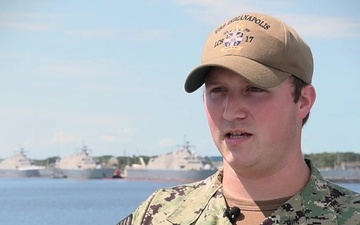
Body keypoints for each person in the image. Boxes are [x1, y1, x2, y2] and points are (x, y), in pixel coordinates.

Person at [116, 12, 360, 225]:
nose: (230, 112)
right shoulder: (157, 215)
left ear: (303, 101)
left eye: (254, 89)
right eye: (217, 91)